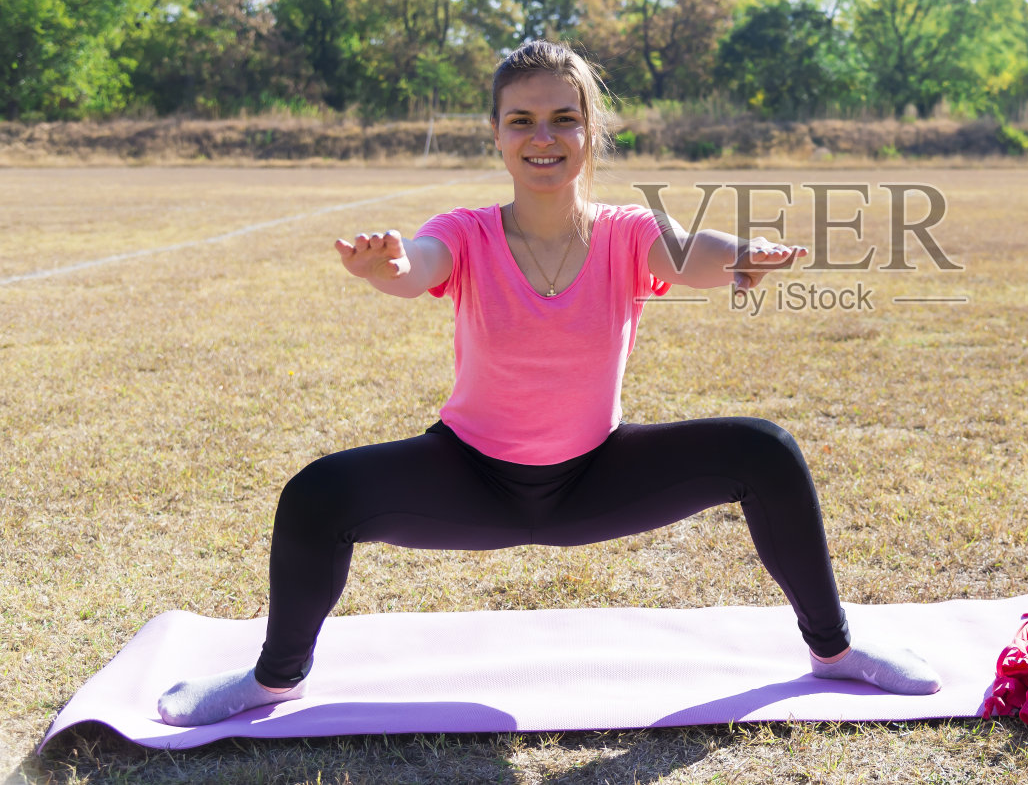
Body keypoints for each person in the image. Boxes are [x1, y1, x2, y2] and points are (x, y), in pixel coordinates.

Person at [157, 40, 940, 727]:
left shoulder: (626, 232)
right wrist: (388, 266)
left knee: (763, 451)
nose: (544, 137)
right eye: (522, 120)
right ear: (496, 136)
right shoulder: (465, 231)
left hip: (595, 478)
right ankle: (275, 679)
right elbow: (418, 265)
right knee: (316, 494)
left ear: (589, 133)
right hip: (469, 478)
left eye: (564, 119)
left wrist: (745, 252)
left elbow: (686, 248)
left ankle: (832, 651)